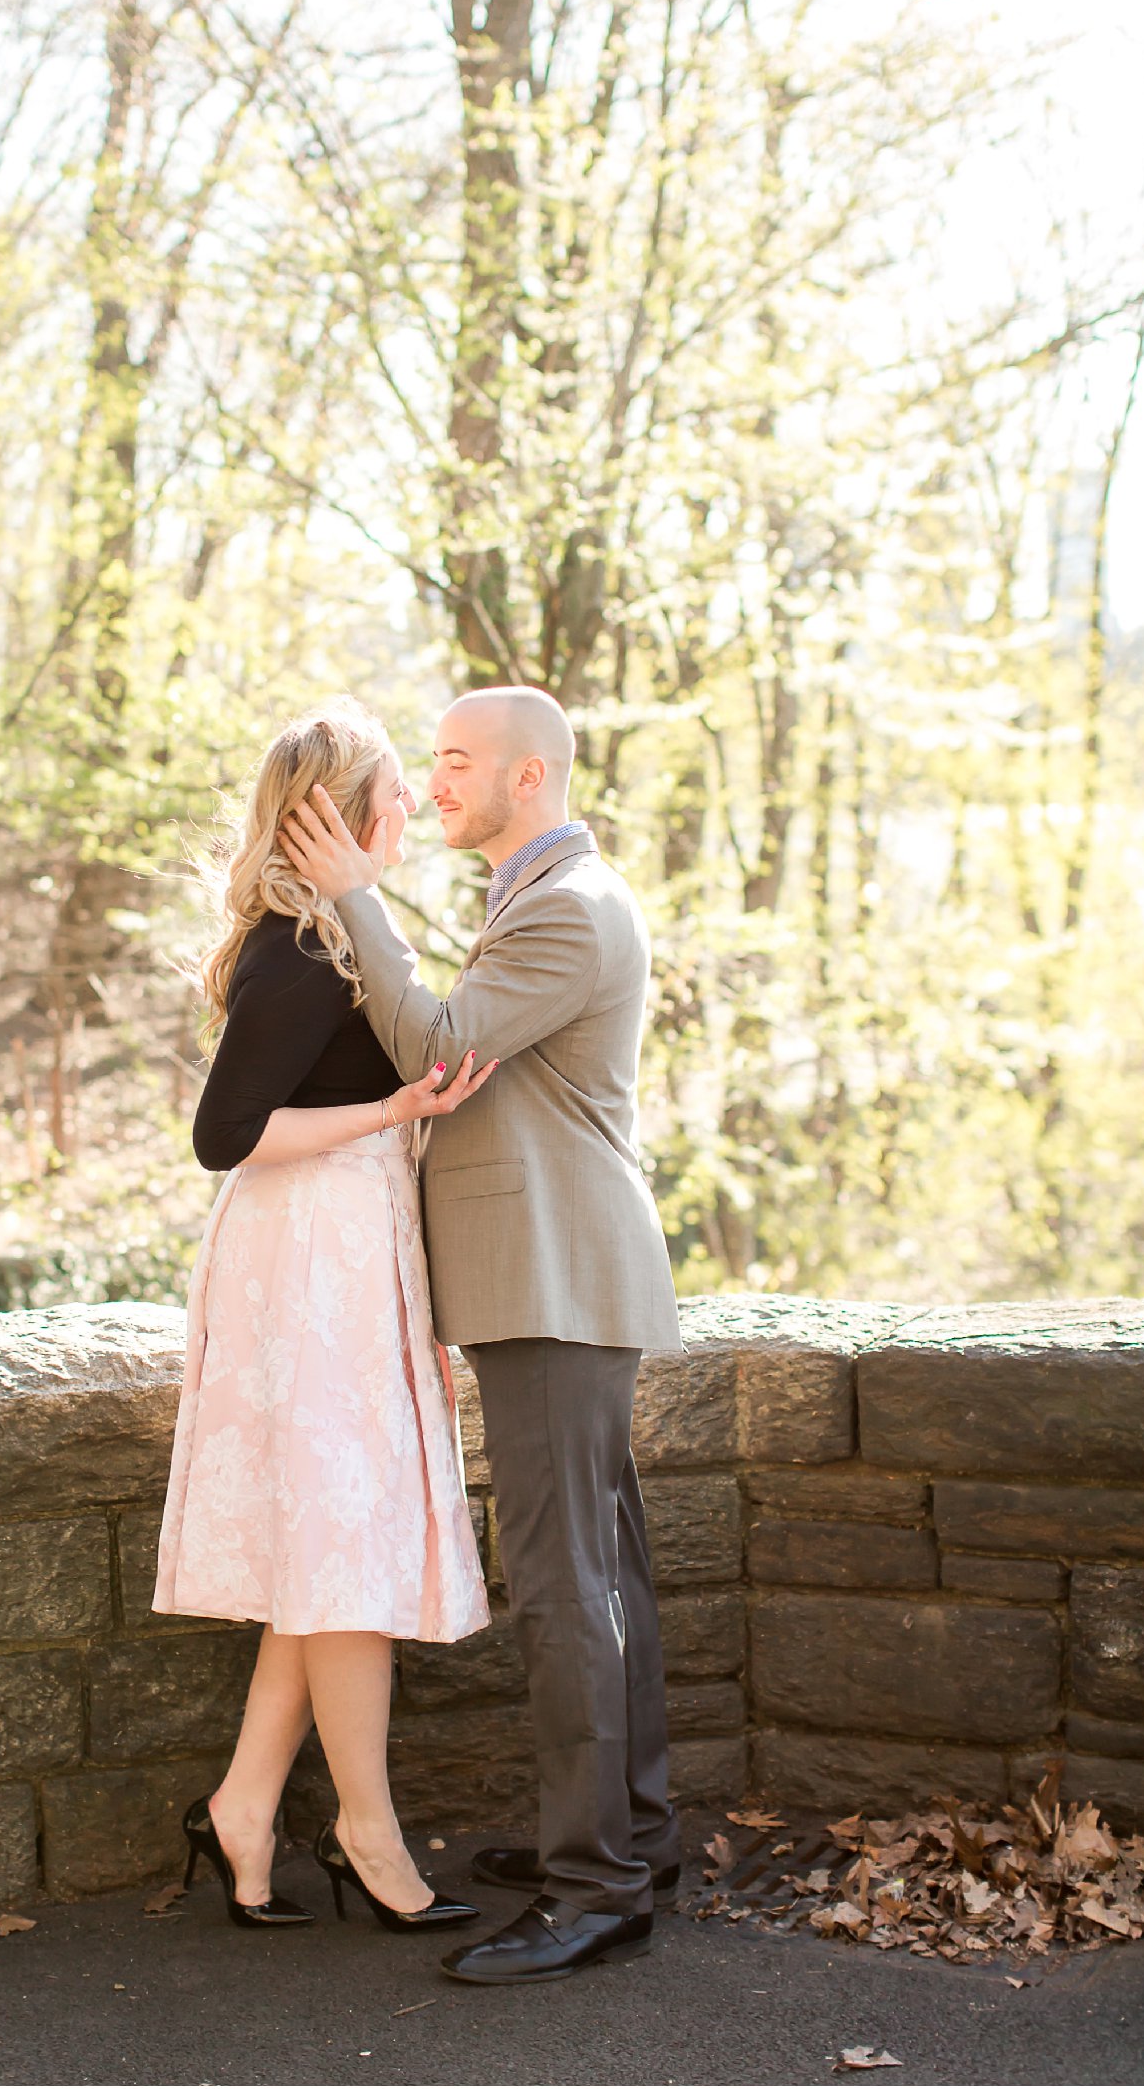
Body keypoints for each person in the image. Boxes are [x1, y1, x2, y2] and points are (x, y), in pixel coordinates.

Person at [281, 684, 684, 1987]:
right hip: (546, 1285)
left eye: (456, 762)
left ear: (530, 778)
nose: (435, 783)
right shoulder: (540, 897)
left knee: (568, 1589)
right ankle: (631, 1837)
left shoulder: (569, 908)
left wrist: (354, 894)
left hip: (557, 1289)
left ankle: (599, 1886)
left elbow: (444, 1049)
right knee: (599, 1572)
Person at [153, 700, 493, 1935]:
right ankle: (366, 1828)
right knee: (344, 1558)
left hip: (344, 1250)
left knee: (327, 1547)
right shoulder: (301, 951)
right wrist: (393, 1112)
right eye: (396, 791)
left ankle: (246, 1803)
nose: (412, 809)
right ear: (341, 815)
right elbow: (222, 1139)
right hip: (307, 1264)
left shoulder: (329, 932)